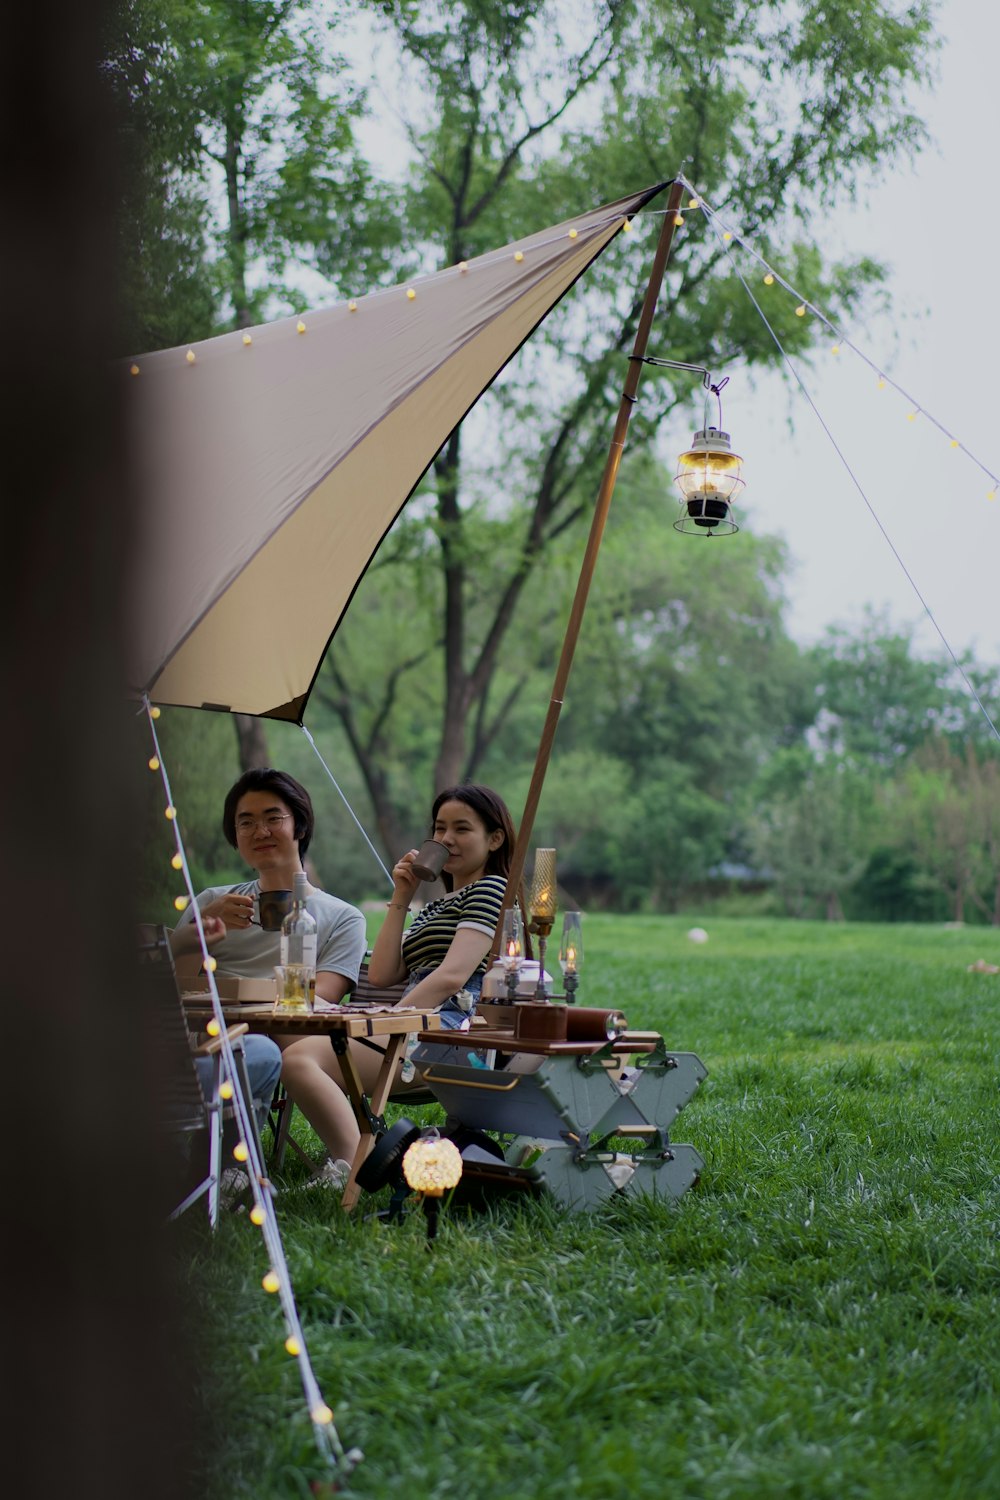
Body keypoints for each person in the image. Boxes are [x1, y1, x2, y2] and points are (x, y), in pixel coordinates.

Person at [171, 767, 368, 1179]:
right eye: (246, 821)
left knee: (259, 1045)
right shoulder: (212, 902)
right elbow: (179, 986)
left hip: (276, 1038)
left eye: (272, 818)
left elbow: (323, 1001)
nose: (260, 830)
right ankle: (218, 1167)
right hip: (199, 1038)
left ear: (299, 824)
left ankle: (228, 1169)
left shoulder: (341, 917)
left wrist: (247, 1007)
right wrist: (201, 932)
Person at [368, 783, 515, 1028]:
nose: (447, 839)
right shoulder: (432, 909)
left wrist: (385, 1023)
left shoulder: (491, 888)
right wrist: (402, 896)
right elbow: (380, 975)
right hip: (416, 1019)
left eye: (462, 829)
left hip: (451, 1021)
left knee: (302, 1056)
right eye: (440, 828)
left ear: (495, 839)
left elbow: (451, 977)